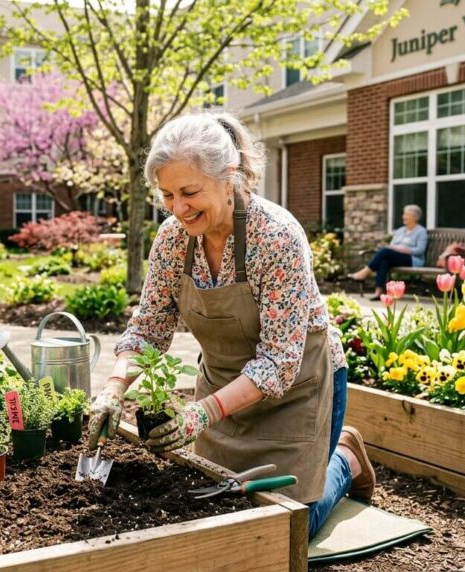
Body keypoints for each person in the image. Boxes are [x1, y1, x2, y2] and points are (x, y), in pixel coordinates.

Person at [86, 112, 376, 540]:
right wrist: (113, 388)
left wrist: (200, 414)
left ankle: (344, 461)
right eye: (167, 195)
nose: (178, 208)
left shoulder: (276, 237)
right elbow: (148, 327)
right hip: (223, 385)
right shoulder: (171, 240)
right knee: (217, 507)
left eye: (189, 192)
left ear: (229, 177)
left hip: (297, 392)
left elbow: (278, 361)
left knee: (288, 527)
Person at [348, 205, 428, 300]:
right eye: (404, 214)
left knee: (385, 252)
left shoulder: (421, 231)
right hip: (397, 257)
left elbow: (420, 250)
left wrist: (403, 249)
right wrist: (396, 248)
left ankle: (365, 272)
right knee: (384, 261)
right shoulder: (400, 231)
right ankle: (378, 292)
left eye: (407, 214)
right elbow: (392, 245)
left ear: (415, 217)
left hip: (413, 259)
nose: (403, 216)